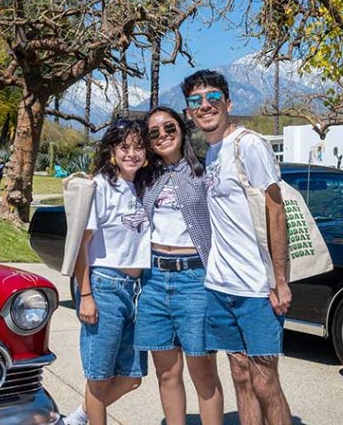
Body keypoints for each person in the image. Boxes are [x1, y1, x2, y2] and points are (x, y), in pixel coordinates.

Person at [182, 70, 292, 425]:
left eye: (213, 98)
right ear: (189, 113)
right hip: (220, 286)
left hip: (257, 289)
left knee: (265, 380)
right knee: (240, 376)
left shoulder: (249, 145)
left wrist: (280, 279)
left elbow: (276, 210)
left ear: (228, 103)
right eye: (196, 101)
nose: (205, 106)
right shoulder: (211, 153)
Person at [135, 106, 224, 425]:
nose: (162, 136)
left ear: (182, 131)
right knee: (166, 373)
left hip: (195, 280)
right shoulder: (145, 177)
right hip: (154, 281)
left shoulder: (204, 172)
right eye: (154, 132)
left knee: (203, 372)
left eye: (169, 128)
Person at [66, 118, 151, 425]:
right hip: (105, 286)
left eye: (139, 147)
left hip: (137, 291)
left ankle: (77, 418)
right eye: (124, 147)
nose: (132, 153)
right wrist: (85, 294)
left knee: (131, 377)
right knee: (99, 378)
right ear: (112, 151)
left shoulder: (141, 187)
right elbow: (80, 246)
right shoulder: (100, 186)